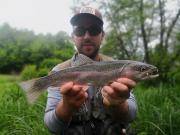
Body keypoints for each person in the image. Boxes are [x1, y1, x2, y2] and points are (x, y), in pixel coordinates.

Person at [44, 6, 137, 135]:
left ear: (102, 35)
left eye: (94, 30)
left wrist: (118, 104)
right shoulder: (59, 71)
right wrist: (66, 107)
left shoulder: (117, 66)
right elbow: (51, 127)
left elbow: (131, 116)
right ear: (72, 37)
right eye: (80, 30)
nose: (87, 36)